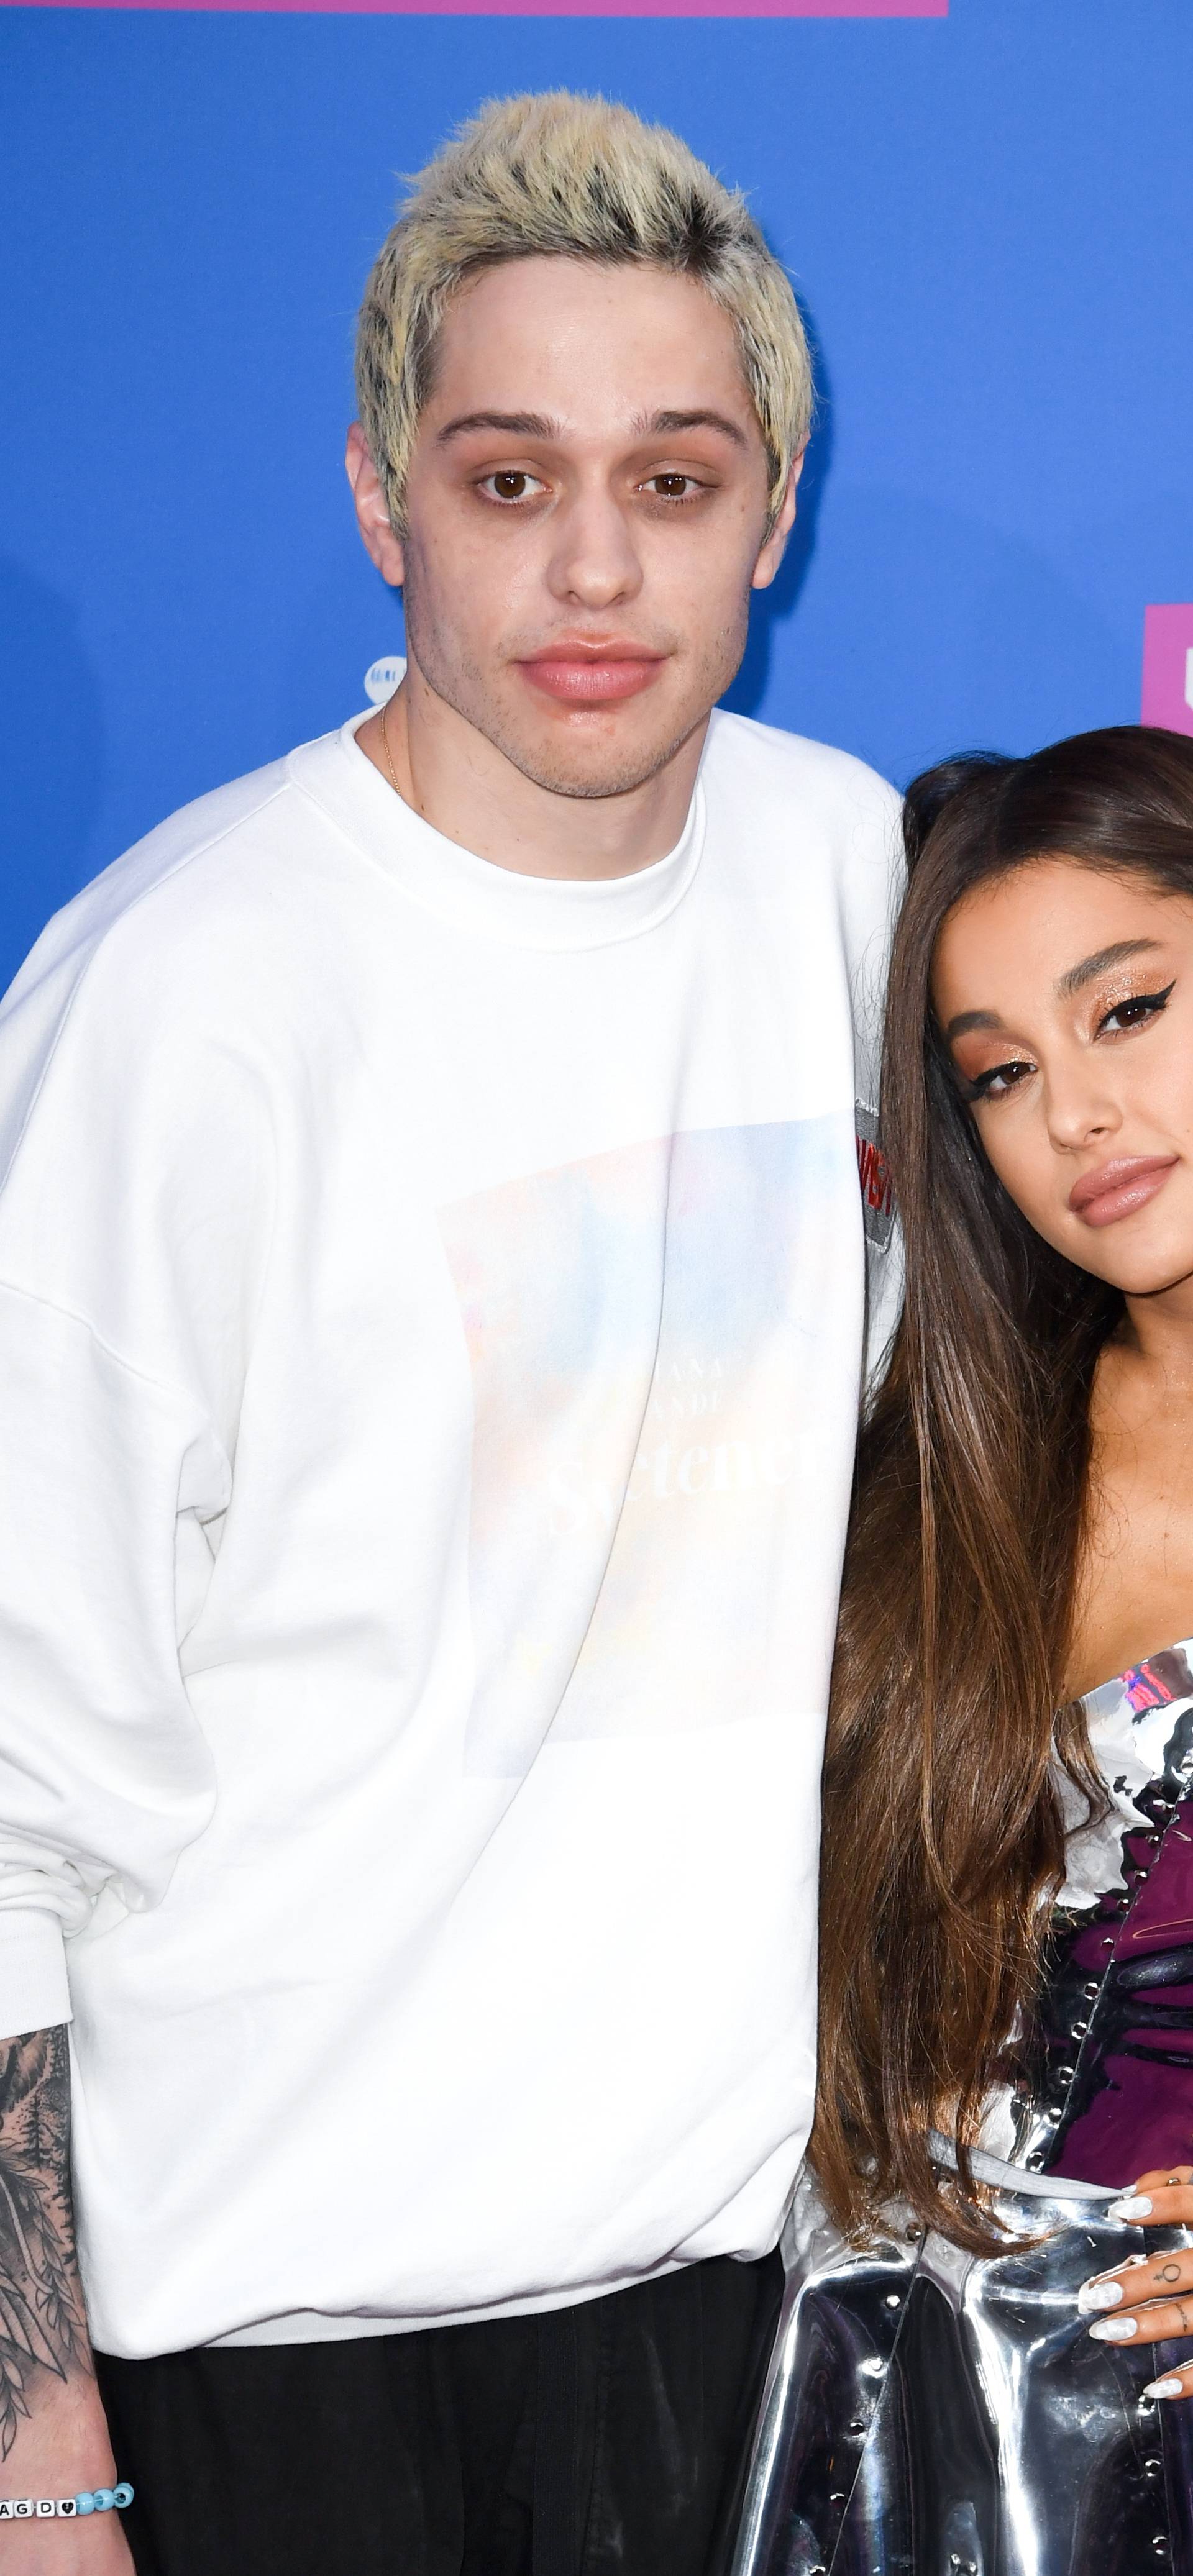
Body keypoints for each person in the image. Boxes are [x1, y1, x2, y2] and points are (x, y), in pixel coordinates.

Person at [0, 92, 900, 2576]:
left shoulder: (861, 880)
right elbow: (6, 1768)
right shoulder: (177, 998)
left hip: (752, 2308)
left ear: (773, 516)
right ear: (389, 504)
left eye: (676, 478)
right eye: (510, 481)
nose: (595, 561)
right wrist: (37, 2440)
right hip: (280, 2354)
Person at [729, 724, 1193, 2576]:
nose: (1069, 1114)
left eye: (1130, 1009)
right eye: (999, 1072)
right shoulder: (937, 1467)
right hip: (897, 2428)